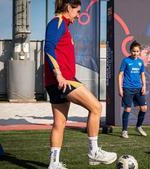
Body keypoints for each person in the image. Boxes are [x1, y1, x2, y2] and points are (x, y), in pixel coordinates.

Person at [44, 0, 116, 168]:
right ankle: (94, 152)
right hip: (63, 80)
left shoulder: (63, 26)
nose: (78, 16)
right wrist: (59, 74)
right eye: (77, 11)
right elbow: (49, 48)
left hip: (56, 81)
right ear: (69, 7)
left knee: (59, 123)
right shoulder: (57, 23)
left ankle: (53, 164)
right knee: (96, 107)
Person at [118, 40, 148, 138]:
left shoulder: (140, 62)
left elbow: (142, 74)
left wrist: (144, 86)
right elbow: (120, 75)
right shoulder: (126, 61)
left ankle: (138, 127)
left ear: (140, 52)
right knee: (127, 109)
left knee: (144, 108)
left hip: (138, 88)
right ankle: (124, 131)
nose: (135, 53)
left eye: (137, 51)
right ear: (130, 51)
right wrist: (120, 88)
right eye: (133, 51)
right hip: (127, 88)